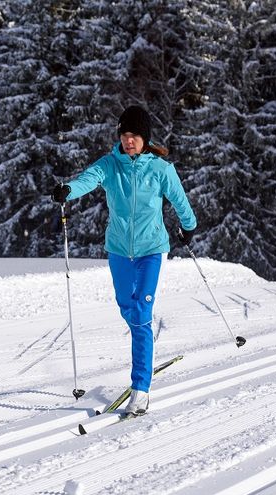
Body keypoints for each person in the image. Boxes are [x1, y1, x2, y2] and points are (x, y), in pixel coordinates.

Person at [51, 105, 198, 415]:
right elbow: (86, 180)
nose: (129, 141)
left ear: (145, 138)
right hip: (119, 250)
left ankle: (140, 387)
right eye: (124, 135)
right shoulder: (109, 165)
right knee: (128, 309)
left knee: (142, 311)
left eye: (134, 136)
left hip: (151, 250)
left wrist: (188, 226)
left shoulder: (161, 169)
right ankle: (142, 345)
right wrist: (68, 190)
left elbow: (180, 201)